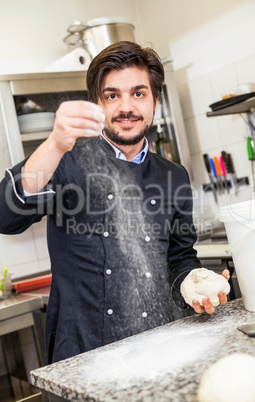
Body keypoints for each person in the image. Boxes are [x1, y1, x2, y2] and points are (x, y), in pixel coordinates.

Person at [0, 41, 229, 364]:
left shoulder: (172, 175)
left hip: (162, 343)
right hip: (84, 351)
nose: (126, 107)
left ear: (155, 101)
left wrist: (192, 283)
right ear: (97, 103)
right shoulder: (65, 161)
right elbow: (6, 216)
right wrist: (53, 143)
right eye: (112, 95)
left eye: (138, 93)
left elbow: (180, 257)